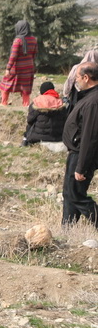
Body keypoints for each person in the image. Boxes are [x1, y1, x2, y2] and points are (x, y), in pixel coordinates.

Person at [62, 61, 98, 226]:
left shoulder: (93, 101)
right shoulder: (89, 96)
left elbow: (90, 136)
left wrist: (81, 166)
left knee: (75, 195)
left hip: (81, 154)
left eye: (77, 77)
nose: (75, 80)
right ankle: (67, 230)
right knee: (70, 194)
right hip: (77, 153)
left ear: (86, 77)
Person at [0, 20, 38, 106]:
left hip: (16, 69)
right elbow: (34, 54)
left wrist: (8, 68)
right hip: (28, 68)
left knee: (5, 84)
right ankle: (26, 105)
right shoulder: (33, 40)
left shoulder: (18, 40)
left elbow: (13, 56)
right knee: (25, 87)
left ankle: (3, 103)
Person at [23, 82, 67, 146]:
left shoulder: (36, 102)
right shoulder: (60, 102)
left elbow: (29, 120)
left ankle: (25, 141)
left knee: (30, 124)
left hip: (38, 138)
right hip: (58, 138)